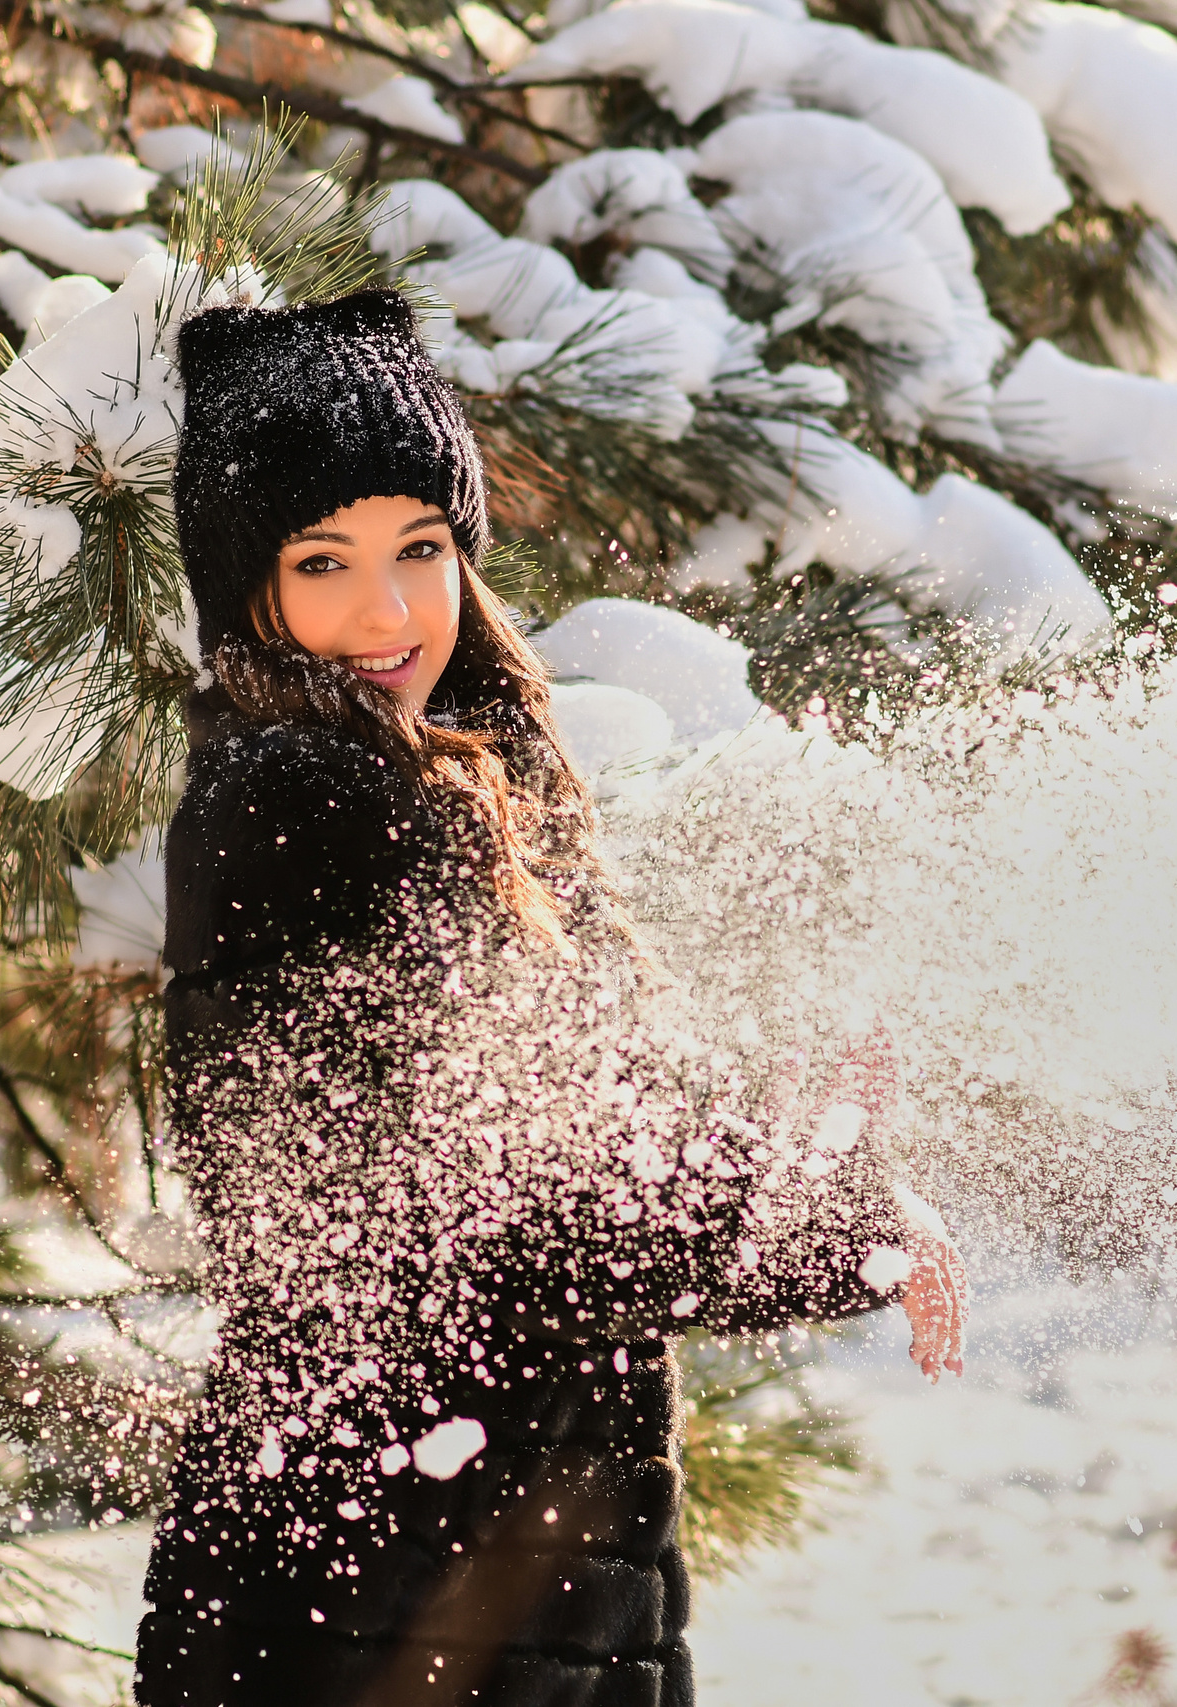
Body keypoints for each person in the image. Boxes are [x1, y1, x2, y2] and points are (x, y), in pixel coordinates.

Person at [136, 288, 966, 1707]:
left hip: (477, 1591)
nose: (390, 609)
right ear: (248, 593)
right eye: (324, 562)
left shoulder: (465, 781)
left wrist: (811, 1139)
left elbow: (588, 1141)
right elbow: (513, 1215)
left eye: (422, 547)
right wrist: (838, 1216)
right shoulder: (312, 805)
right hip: (381, 1613)